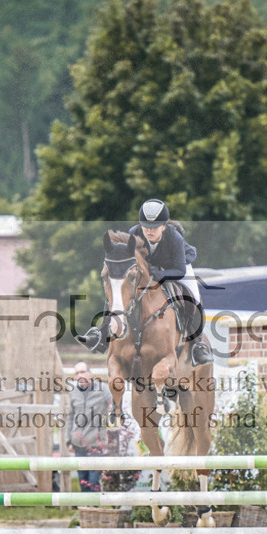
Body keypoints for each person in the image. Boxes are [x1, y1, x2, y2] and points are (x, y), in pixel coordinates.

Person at [77, 199, 213, 365]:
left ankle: (197, 345)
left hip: (177, 266)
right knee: (119, 292)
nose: (149, 230)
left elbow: (179, 271)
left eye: (154, 227)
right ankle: (101, 334)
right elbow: (129, 260)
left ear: (164, 226)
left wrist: (160, 274)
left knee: (194, 298)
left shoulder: (174, 238)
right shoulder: (134, 233)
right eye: (145, 226)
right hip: (149, 268)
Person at [66, 362, 113, 492]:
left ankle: (94, 509)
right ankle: (87, 511)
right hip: (78, 444)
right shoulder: (73, 392)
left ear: (90, 373)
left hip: (96, 445)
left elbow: (114, 409)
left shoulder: (103, 390)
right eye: (77, 373)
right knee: (83, 481)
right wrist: (68, 441)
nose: (80, 375)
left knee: (93, 482)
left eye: (82, 372)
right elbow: (70, 417)